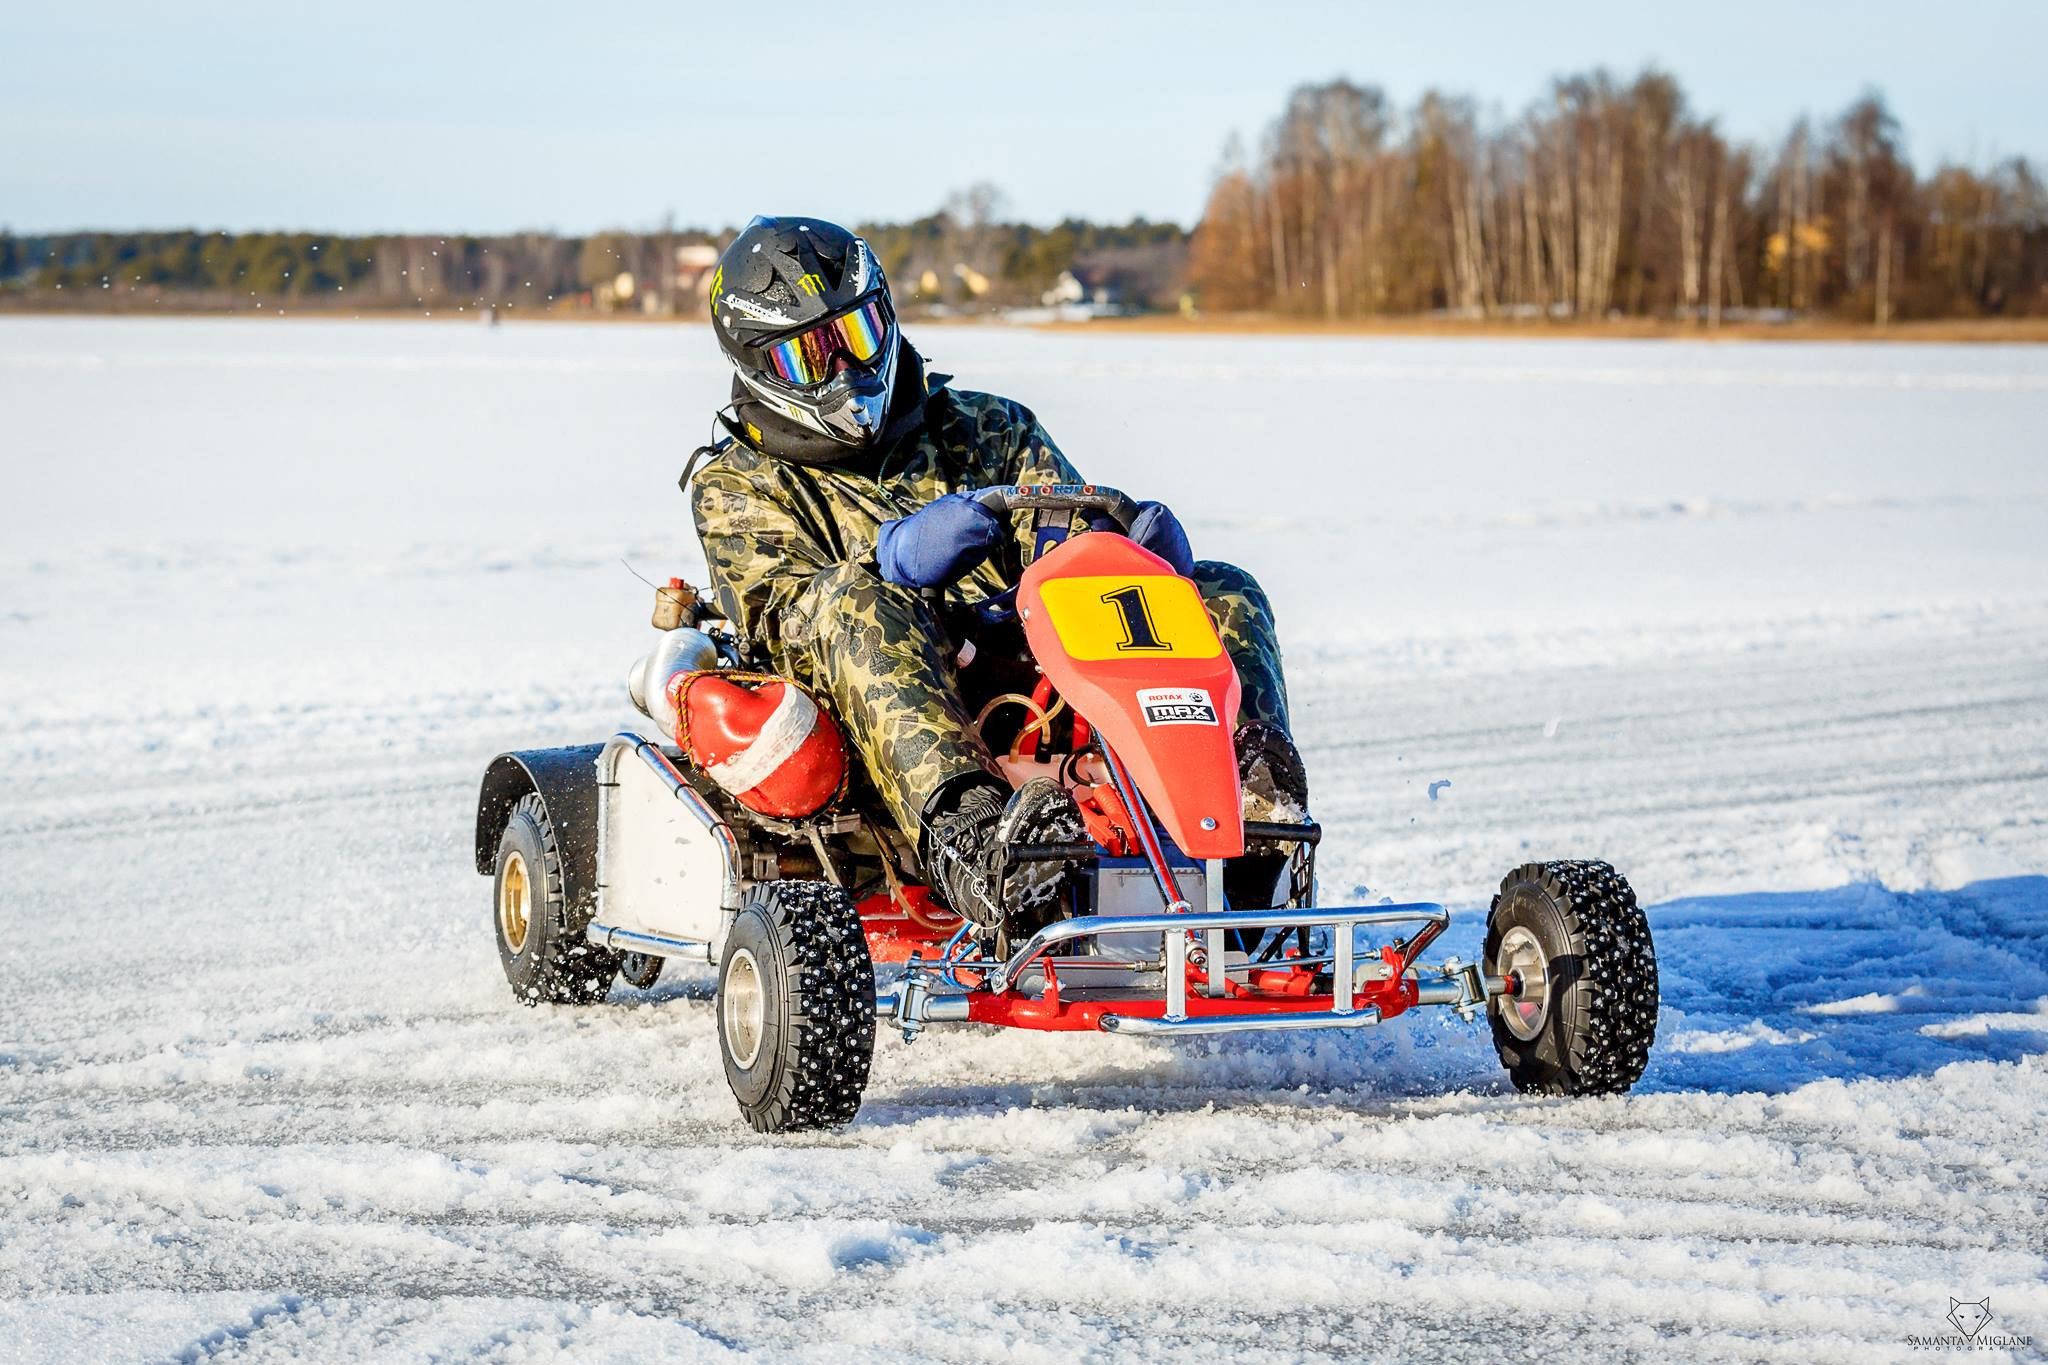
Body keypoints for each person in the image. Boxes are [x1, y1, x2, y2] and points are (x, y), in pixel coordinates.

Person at [689, 216, 1306, 932]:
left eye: (858, 337)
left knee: (1226, 590)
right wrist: (890, 564)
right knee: (860, 604)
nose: (848, 373)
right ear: (761, 369)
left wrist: (1133, 547)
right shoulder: (736, 486)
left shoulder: (988, 427)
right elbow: (782, 619)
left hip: (1026, 667)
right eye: (813, 358)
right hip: (873, 718)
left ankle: (1253, 826)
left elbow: (1070, 551)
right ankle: (980, 848)